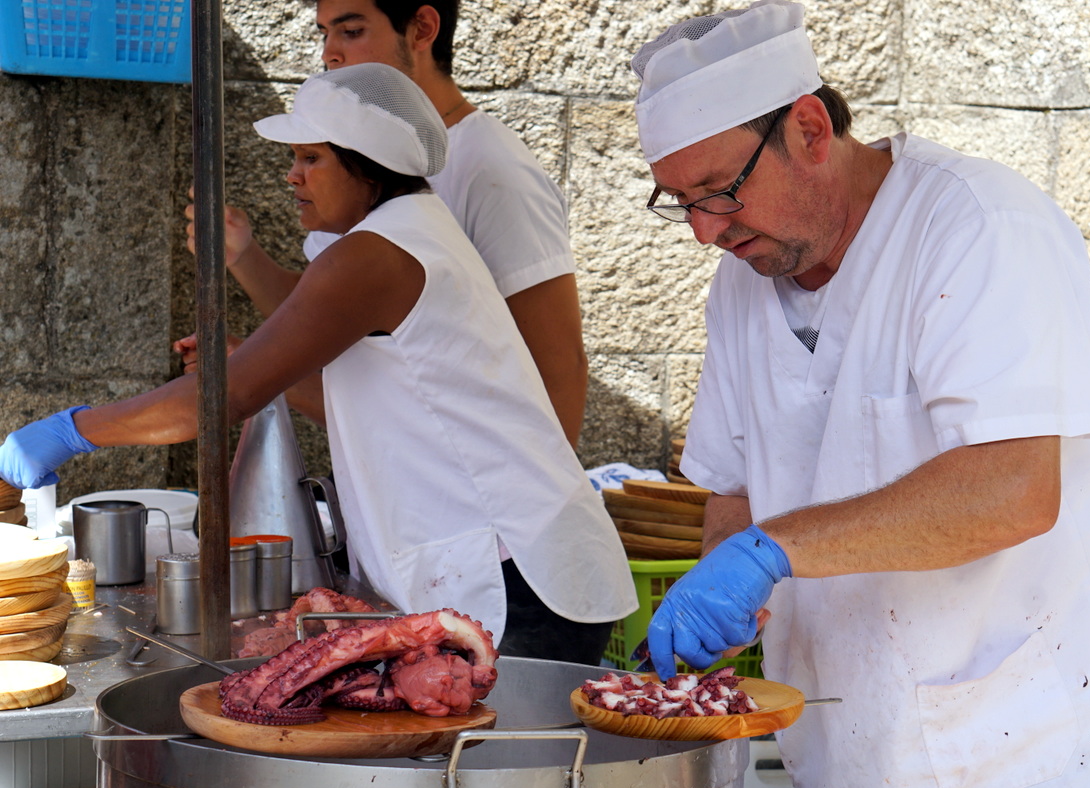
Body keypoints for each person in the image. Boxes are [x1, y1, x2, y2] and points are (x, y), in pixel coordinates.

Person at [632, 1, 1090, 788]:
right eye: (679, 203)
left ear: (809, 129)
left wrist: (773, 552)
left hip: (1037, 746)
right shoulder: (742, 284)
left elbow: (1014, 492)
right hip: (849, 743)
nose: (703, 231)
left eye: (718, 192)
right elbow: (736, 487)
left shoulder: (977, 227)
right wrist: (719, 591)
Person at [0, 63, 636, 665]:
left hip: (516, 578)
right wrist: (244, 362)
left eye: (311, 158)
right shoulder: (409, 233)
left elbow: (223, 400)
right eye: (293, 159)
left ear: (368, 167)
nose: (292, 176)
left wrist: (72, 429)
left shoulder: (377, 253)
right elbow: (358, 381)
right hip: (517, 569)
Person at [181, 0, 589, 448]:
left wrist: (540, 501)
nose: (329, 54)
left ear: (422, 29)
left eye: (351, 32)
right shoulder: (354, 162)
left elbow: (559, 364)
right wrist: (241, 255)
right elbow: (329, 312)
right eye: (323, 34)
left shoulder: (490, 168)